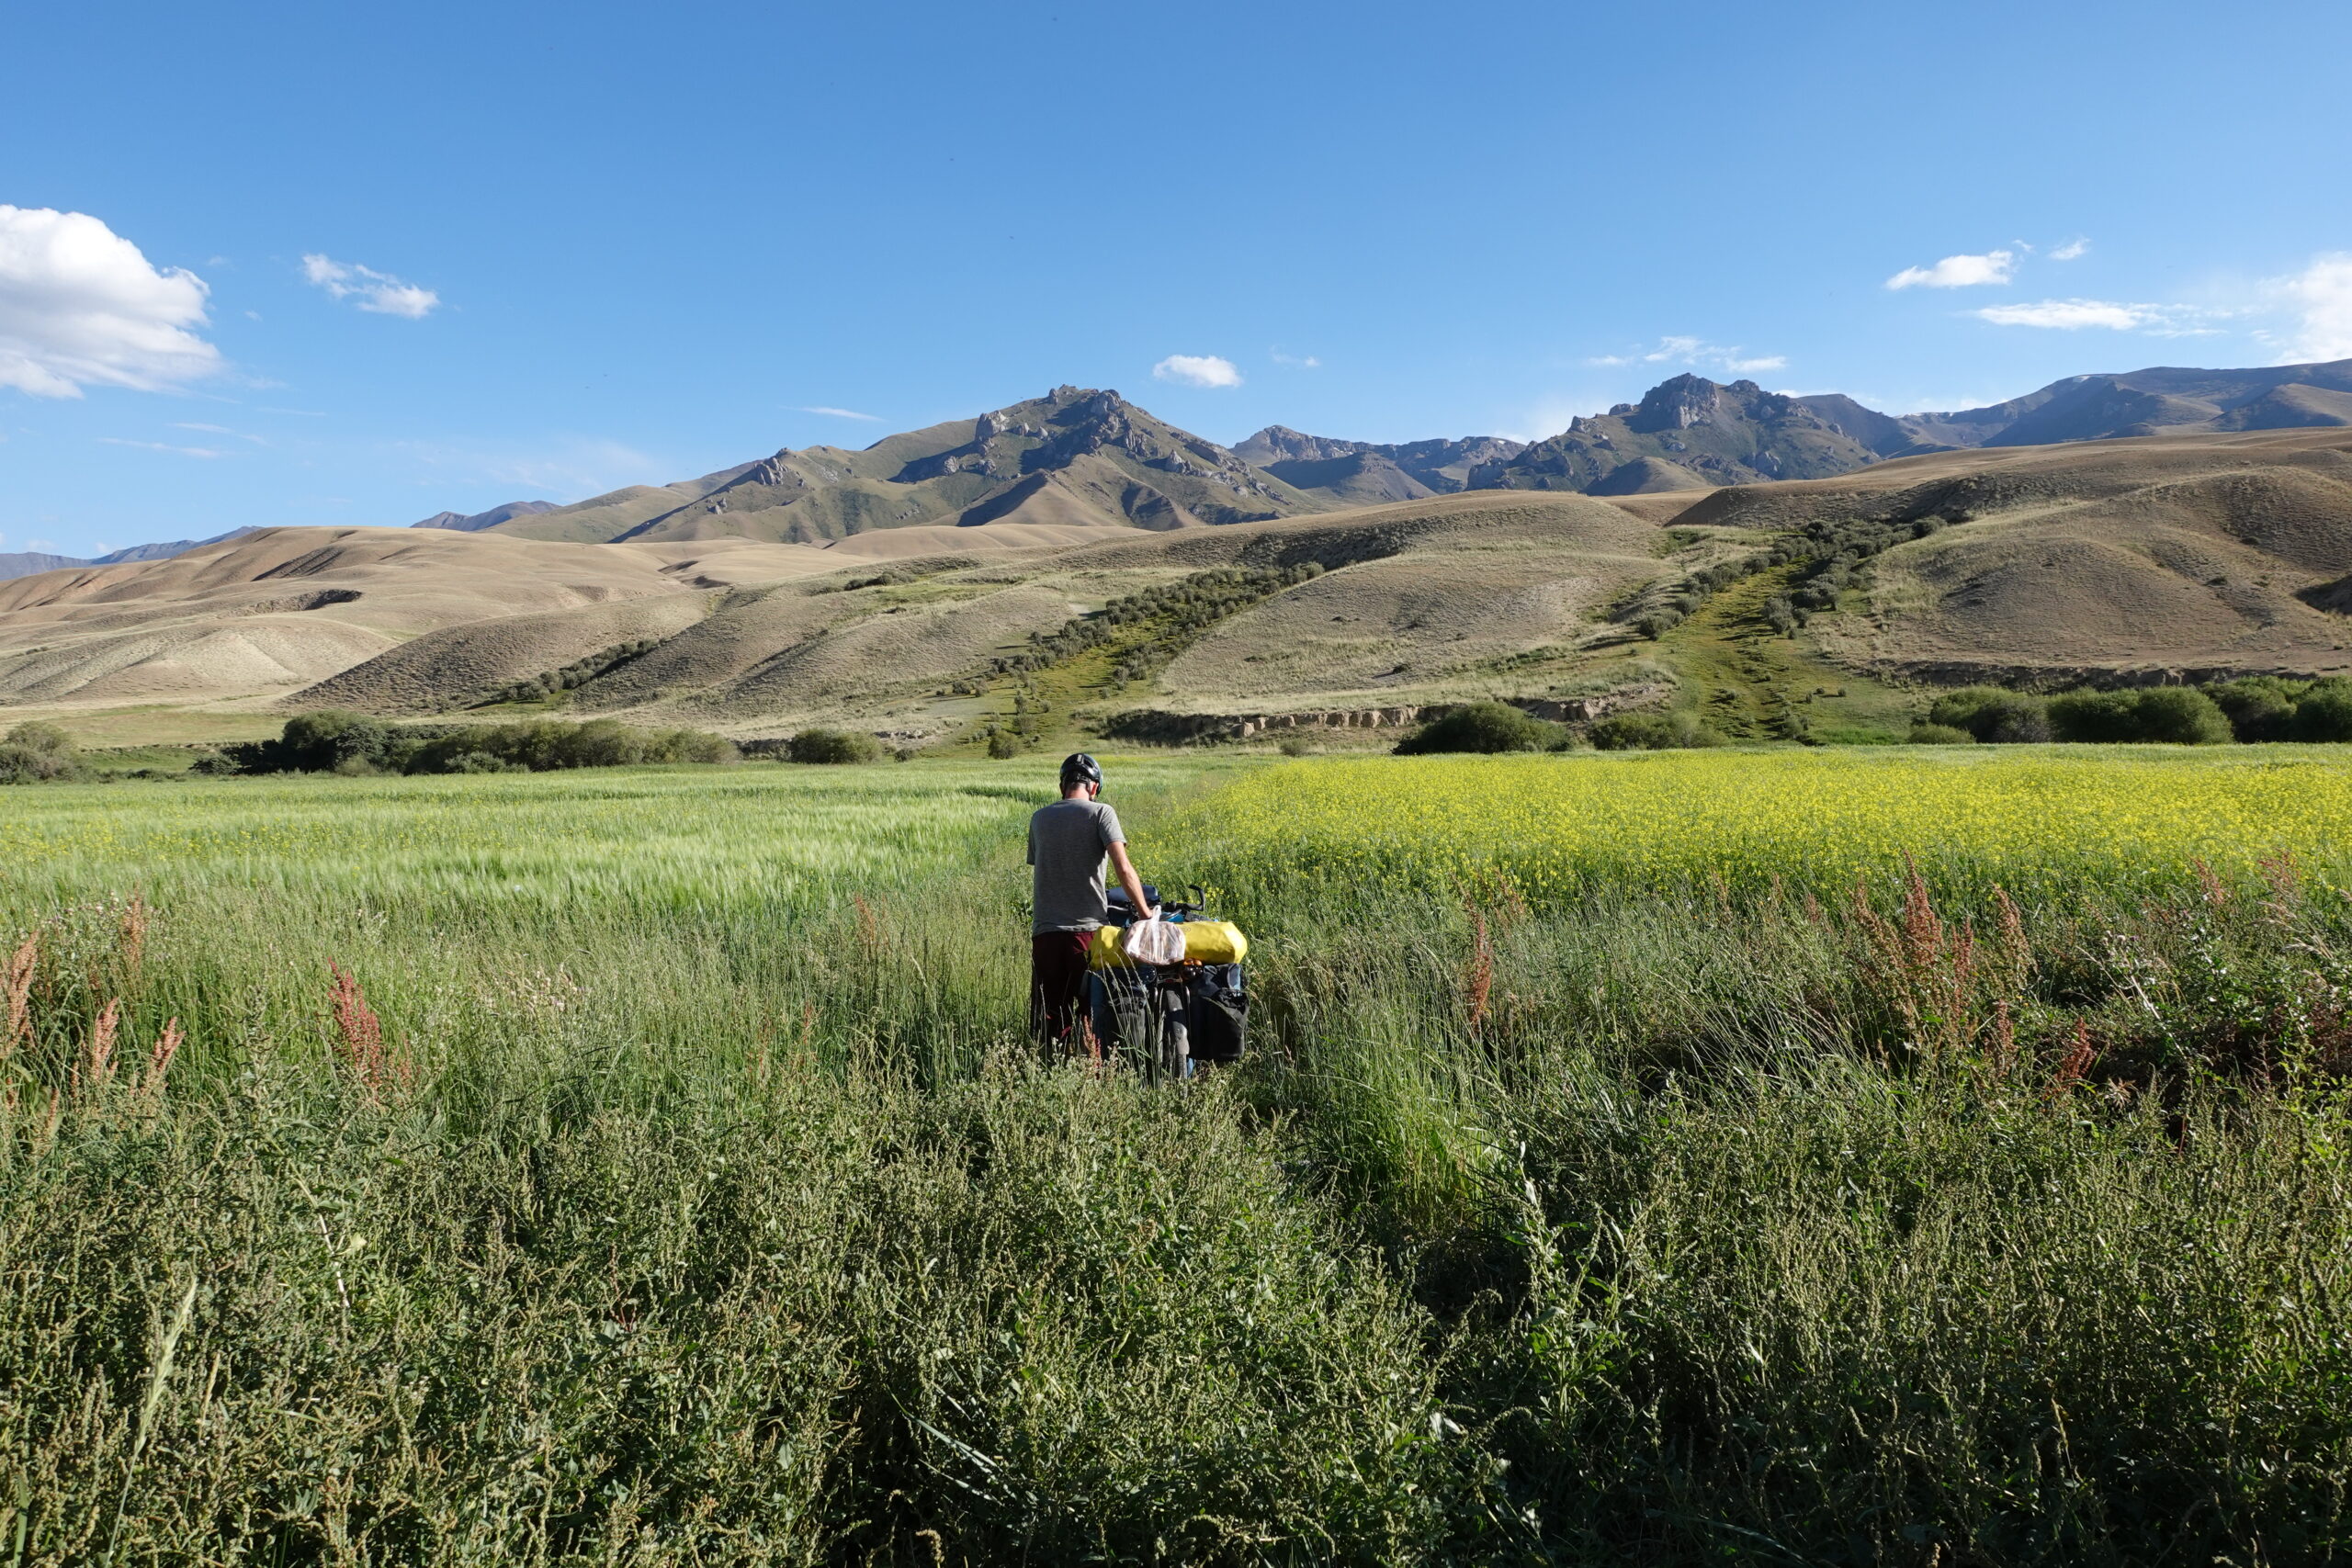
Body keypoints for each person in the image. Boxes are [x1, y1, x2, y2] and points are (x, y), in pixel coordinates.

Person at [1028, 751, 1153, 1054]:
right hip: (1087, 935)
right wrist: (1146, 914)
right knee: (1090, 1017)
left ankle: (1047, 1075)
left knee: (1048, 1017)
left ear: (1062, 785)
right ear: (1094, 788)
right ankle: (1090, 1081)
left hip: (1045, 934)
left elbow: (1046, 865)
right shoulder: (1101, 813)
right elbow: (1123, 867)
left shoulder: (1039, 817)